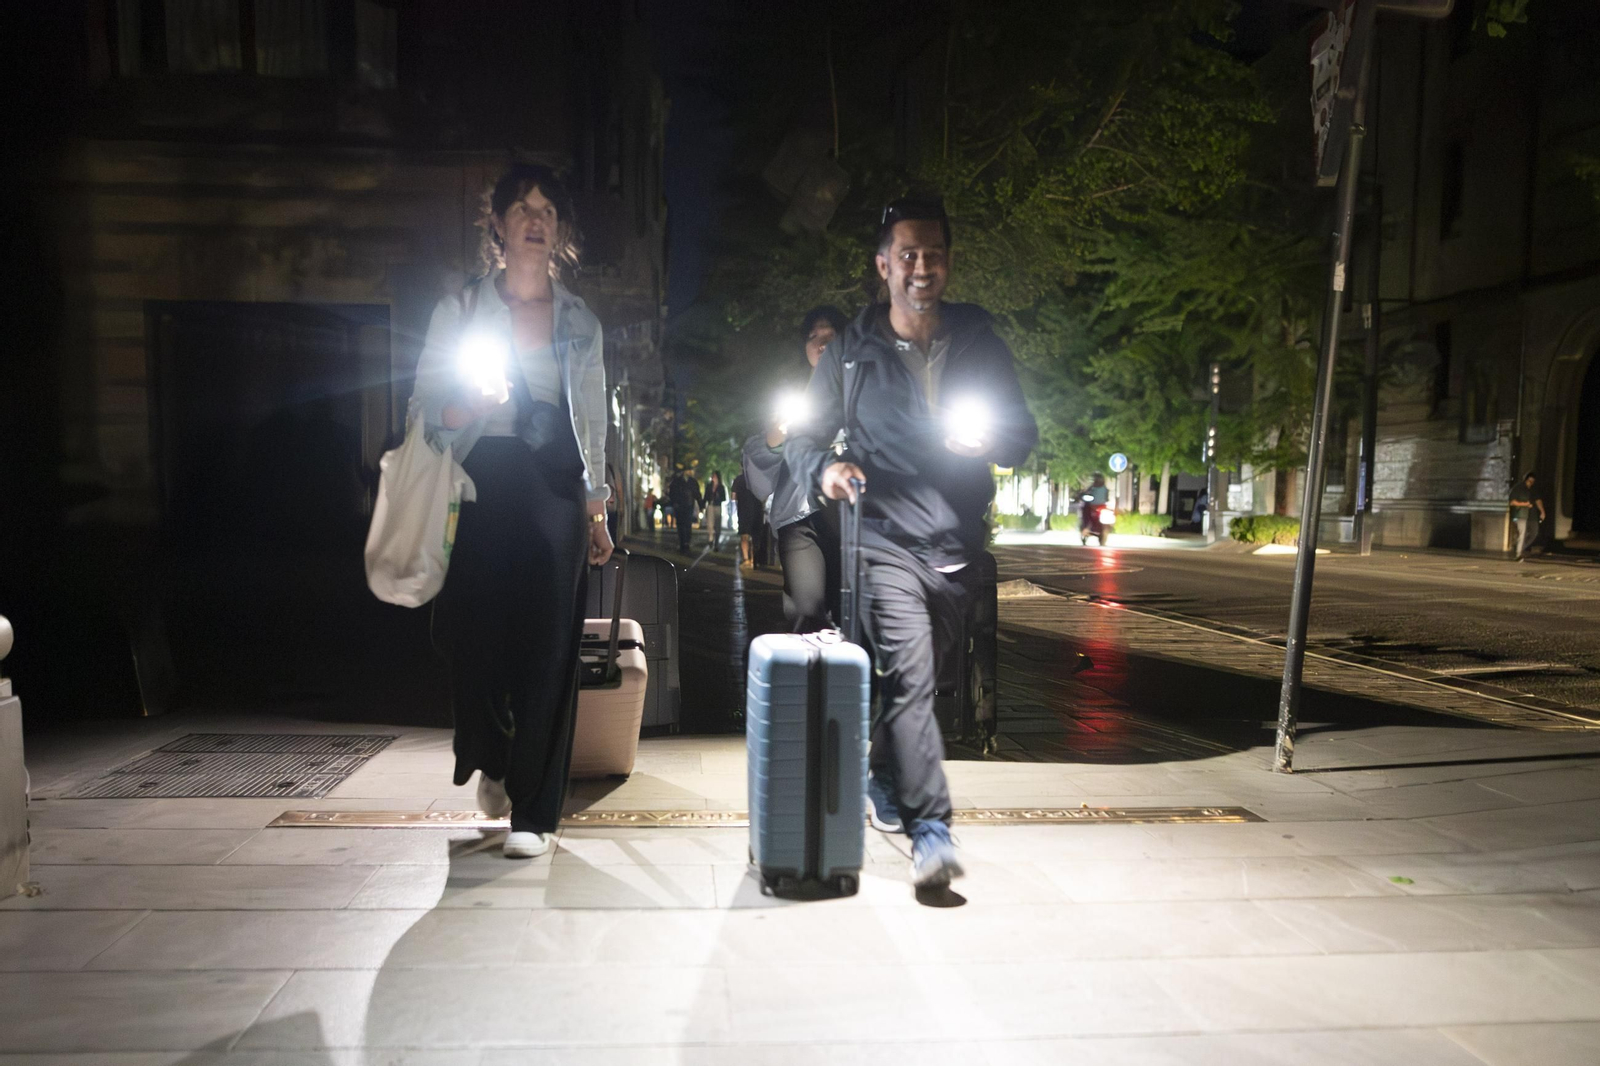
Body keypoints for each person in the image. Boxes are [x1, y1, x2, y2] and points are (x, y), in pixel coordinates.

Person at [785, 198, 1037, 889]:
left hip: (956, 540)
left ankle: (878, 773)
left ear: (948, 264)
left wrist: (991, 440)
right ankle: (933, 834)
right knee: (913, 677)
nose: (921, 268)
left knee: (927, 683)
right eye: (907, 255)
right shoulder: (850, 351)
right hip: (881, 540)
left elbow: (1022, 436)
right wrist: (828, 469)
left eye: (933, 255)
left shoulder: (980, 340)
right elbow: (804, 438)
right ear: (883, 266)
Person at [413, 162, 613, 860]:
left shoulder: (580, 320)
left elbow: (593, 421)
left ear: (558, 231)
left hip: (555, 485)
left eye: (548, 210)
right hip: (477, 481)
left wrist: (596, 510)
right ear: (497, 225)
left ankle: (535, 810)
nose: (535, 219)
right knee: (469, 639)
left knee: (549, 648)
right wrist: (471, 403)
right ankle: (495, 758)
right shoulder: (462, 311)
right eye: (522, 208)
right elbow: (426, 412)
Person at [742, 306, 848, 629]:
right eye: (813, 337)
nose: (821, 343)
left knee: (853, 615)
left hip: (855, 518)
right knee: (807, 611)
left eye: (830, 335)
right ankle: (812, 676)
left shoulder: (868, 389)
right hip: (800, 517)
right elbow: (761, 458)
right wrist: (775, 439)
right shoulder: (794, 396)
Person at [1511, 471, 1547, 560]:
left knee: (1534, 533)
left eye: (1532, 481)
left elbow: (1538, 500)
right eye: (1529, 481)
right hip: (1521, 514)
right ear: (1525, 480)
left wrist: (1542, 511)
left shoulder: (1533, 489)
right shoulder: (1518, 488)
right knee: (1522, 533)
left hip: (1532, 515)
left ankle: (1520, 547)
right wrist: (1524, 504)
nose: (1530, 483)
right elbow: (1512, 502)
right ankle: (1518, 554)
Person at [668, 467, 702, 553]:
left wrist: (701, 504)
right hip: (680, 505)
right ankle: (683, 542)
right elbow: (672, 493)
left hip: (688, 505)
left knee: (687, 524)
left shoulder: (692, 482)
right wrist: (674, 502)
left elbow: (697, 494)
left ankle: (686, 542)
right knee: (681, 524)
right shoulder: (677, 481)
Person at [732, 470, 761, 568]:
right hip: (757, 511)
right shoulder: (758, 478)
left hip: (743, 511)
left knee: (744, 536)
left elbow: (733, 496)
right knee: (755, 537)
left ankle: (746, 559)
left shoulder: (739, 479)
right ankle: (754, 559)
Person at [1080, 473, 1108, 541]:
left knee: (1085, 512)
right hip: (1101, 506)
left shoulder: (1093, 488)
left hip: (1092, 506)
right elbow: (1107, 498)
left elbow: (1085, 493)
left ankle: (1085, 528)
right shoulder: (1104, 488)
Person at [705, 470, 727, 549]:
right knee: (710, 524)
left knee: (717, 525)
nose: (713, 477)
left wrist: (718, 496)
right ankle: (711, 539)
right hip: (710, 505)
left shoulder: (721, 487)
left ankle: (716, 542)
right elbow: (706, 496)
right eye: (712, 476)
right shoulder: (709, 486)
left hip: (717, 506)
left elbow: (724, 498)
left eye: (714, 476)